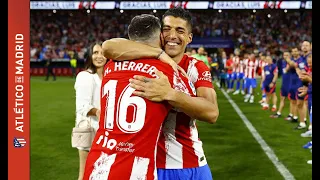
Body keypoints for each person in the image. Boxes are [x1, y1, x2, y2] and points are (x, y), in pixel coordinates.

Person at [83, 14, 216, 180]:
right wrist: (159, 54)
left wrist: (170, 94)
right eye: (167, 29)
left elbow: (212, 113)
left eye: (180, 30)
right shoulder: (137, 57)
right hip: (152, 165)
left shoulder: (195, 67)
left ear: (189, 38)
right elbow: (108, 46)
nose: (172, 35)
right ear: (160, 35)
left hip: (190, 159)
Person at [73, 42, 107, 180]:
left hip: (104, 131)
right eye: (95, 53)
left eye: (103, 53)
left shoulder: (109, 76)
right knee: (85, 174)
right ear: (89, 56)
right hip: (88, 130)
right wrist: (99, 112)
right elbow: (82, 106)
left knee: (102, 173)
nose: (99, 56)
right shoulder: (85, 76)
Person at [270, 51, 292, 119]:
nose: (285, 56)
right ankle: (279, 113)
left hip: (290, 84)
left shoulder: (292, 63)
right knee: (282, 98)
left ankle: (291, 115)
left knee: (292, 100)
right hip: (284, 83)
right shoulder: (282, 63)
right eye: (284, 55)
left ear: (290, 56)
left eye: (287, 55)